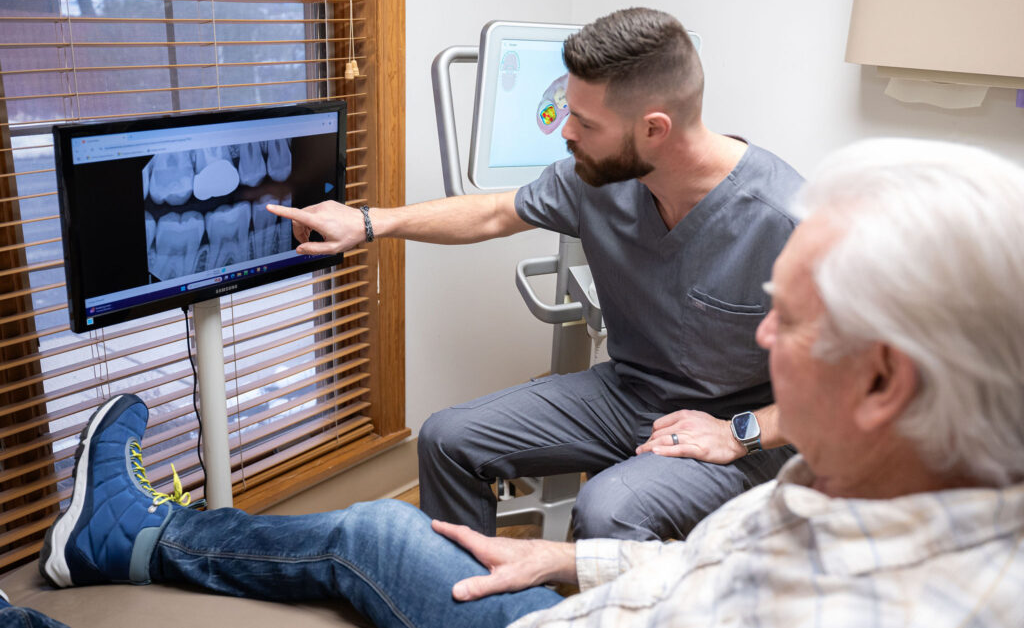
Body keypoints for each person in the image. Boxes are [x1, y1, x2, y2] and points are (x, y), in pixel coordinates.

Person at [22, 138, 1024, 628]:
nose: (765, 330)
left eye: (790, 320)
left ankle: (105, 543)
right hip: (603, 509)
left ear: (883, 380)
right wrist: (566, 569)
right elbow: (717, 575)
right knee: (446, 441)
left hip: (668, 469)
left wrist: (741, 429)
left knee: (376, 532)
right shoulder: (873, 487)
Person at [269, 7, 804, 541]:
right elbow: (495, 213)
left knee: (608, 509)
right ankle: (465, 604)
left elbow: (867, 386)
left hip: (739, 429)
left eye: (586, 123)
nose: (565, 132)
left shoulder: (787, 220)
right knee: (447, 437)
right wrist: (368, 222)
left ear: (654, 129)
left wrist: (740, 433)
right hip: (629, 394)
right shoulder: (596, 179)